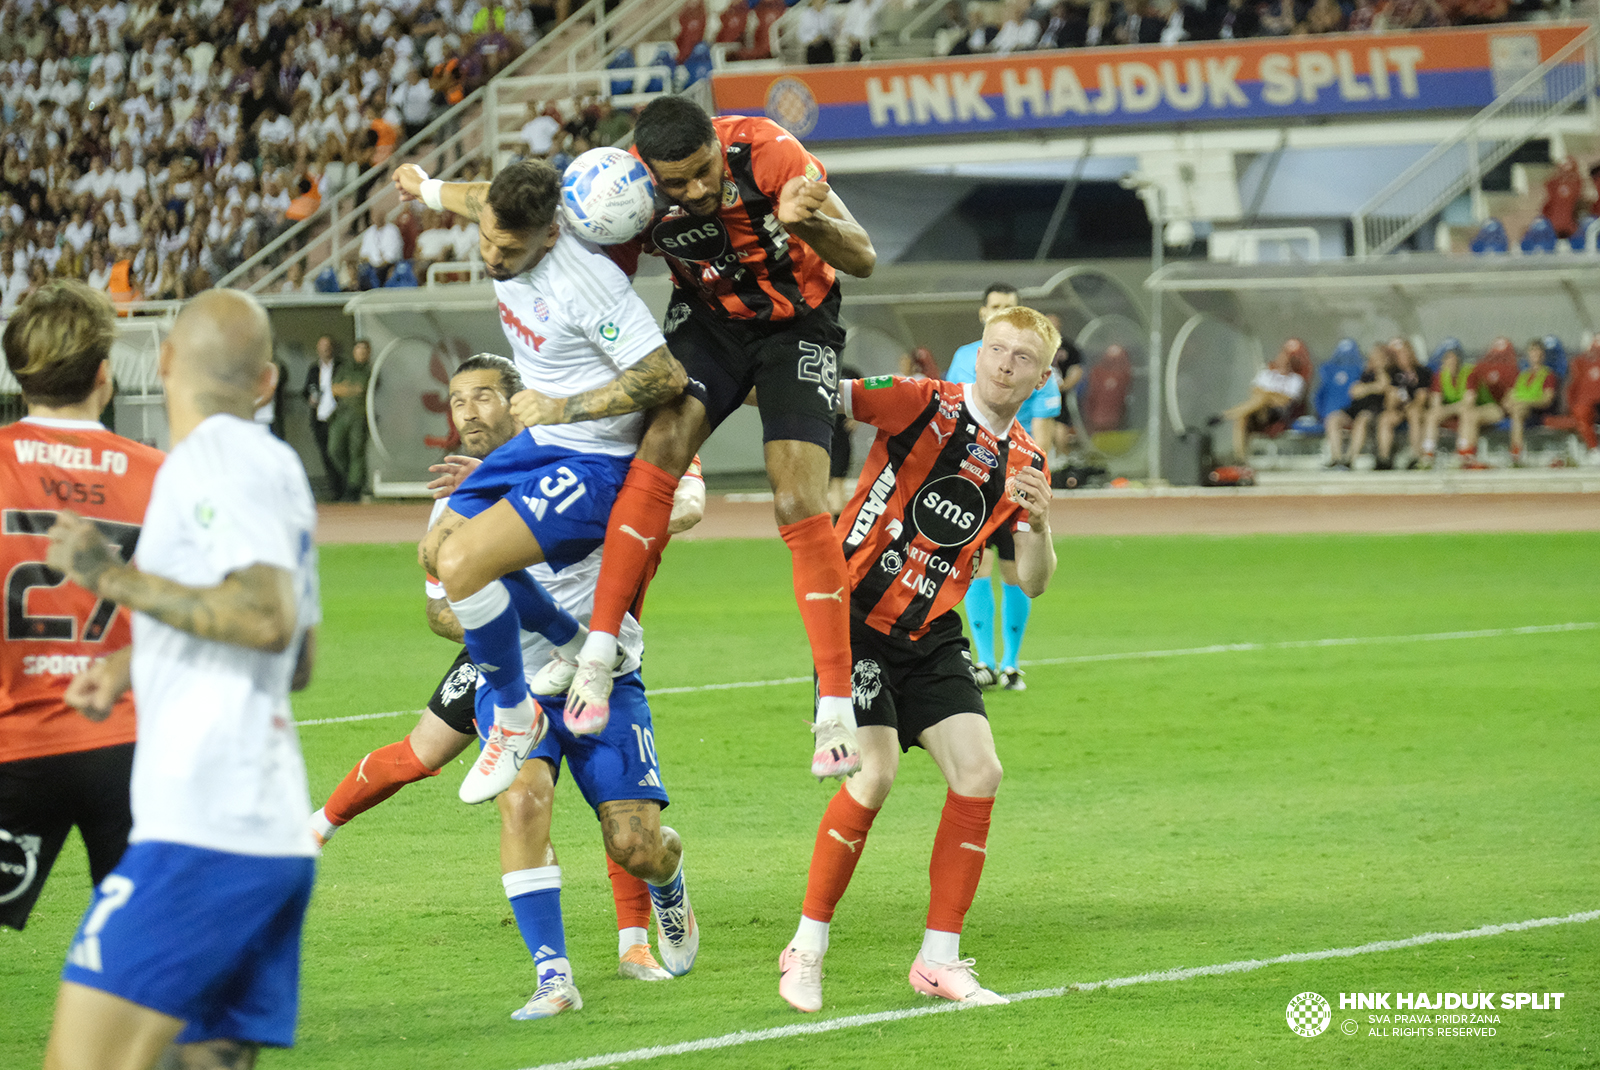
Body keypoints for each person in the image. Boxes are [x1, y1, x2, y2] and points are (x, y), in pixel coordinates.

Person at [310, 355, 704, 1016]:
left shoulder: (600, 450)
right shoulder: (457, 496)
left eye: (484, 396)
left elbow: (685, 505)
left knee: (636, 845)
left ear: (523, 402)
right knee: (519, 801)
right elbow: (441, 605)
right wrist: (489, 584)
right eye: (458, 400)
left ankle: (663, 885)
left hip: (601, 672)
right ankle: (554, 978)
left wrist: (551, 504)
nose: (467, 411)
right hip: (510, 672)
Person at [40, 288, 320, 1070]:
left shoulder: (212, 457)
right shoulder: (277, 467)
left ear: (160, 361)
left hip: (204, 834)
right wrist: (138, 661)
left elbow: (265, 618)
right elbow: (296, 656)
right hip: (266, 831)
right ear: (267, 380)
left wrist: (109, 576)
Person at [561, 95, 878, 780]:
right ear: (652, 175)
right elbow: (599, 288)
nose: (698, 190)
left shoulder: (768, 152)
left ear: (716, 144)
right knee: (660, 449)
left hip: (800, 324)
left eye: (705, 171)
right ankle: (597, 653)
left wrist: (810, 221)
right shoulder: (626, 188)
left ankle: (834, 708)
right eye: (679, 183)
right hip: (708, 324)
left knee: (799, 499)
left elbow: (864, 258)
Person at [778, 305, 1059, 1014]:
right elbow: (826, 395)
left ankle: (938, 961)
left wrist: (1043, 522)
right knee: (875, 776)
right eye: (995, 349)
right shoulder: (924, 402)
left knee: (981, 771)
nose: (1003, 364)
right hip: (853, 621)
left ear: (1042, 376)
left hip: (930, 631)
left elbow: (1032, 578)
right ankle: (806, 946)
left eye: (1020, 357)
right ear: (978, 354)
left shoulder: (1026, 460)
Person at [390, 156, 688, 807]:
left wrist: (562, 408)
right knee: (438, 550)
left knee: (466, 562)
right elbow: (475, 198)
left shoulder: (587, 282)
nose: (491, 256)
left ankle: (517, 716)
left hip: (590, 459)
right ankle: (571, 642)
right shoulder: (500, 215)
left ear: (550, 235)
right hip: (540, 443)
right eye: (487, 239)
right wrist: (426, 188)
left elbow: (666, 377)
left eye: (507, 248)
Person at [0, 282, 164, 935]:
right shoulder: (158, 474)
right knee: (143, 939)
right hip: (127, 739)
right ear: (105, 375)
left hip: (13, 738)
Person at [944, 283, 1061, 691]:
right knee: (978, 565)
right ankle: (985, 660)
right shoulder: (966, 358)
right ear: (983, 314)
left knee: (1016, 570)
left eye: (1009, 306)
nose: (1001, 311)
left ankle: (1011, 662)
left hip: (1018, 481)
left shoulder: (1042, 367)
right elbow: (955, 416)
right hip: (975, 479)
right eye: (995, 307)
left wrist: (1030, 477)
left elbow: (1043, 431)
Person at [1215, 339, 1308, 463]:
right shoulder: (1266, 374)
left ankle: (1226, 415)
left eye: (1288, 358)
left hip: (1278, 415)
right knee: (1243, 418)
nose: (1284, 360)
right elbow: (1255, 392)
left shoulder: (1296, 380)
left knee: (1263, 399)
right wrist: (1271, 396)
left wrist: (1268, 395)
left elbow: (1286, 401)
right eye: (1282, 356)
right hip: (1259, 411)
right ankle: (1240, 459)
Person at [1323, 343, 1391, 470]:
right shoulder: (1364, 373)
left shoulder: (1387, 373)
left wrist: (1369, 385)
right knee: (1333, 419)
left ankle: (1350, 458)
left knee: (1362, 419)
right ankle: (1336, 458)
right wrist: (1371, 388)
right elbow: (1354, 391)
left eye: (1376, 356)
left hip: (1373, 410)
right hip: (1355, 408)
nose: (1373, 359)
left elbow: (1383, 386)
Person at [328, 338, 372, 501]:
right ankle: (350, 475)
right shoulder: (345, 368)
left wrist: (347, 389)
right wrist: (351, 389)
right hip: (341, 414)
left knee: (357, 451)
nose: (360, 353)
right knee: (334, 448)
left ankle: (354, 486)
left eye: (364, 351)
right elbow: (335, 389)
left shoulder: (369, 370)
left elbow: (364, 389)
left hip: (359, 416)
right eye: (358, 350)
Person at [1375, 337, 1429, 471]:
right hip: (1399, 410)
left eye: (1404, 352)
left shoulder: (1422, 372)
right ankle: (1384, 458)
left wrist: (1411, 405)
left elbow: (1422, 398)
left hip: (1416, 409)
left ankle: (1416, 457)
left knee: (1414, 414)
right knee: (1385, 418)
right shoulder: (1392, 373)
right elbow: (1389, 399)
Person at [303, 335, 346, 501]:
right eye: (322, 347)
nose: (325, 350)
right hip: (319, 417)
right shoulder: (314, 369)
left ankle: (346, 487)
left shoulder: (341, 366)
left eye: (328, 346)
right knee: (326, 455)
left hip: (337, 416)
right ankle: (335, 490)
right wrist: (310, 398)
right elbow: (305, 390)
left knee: (337, 452)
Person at [1505, 338, 1557, 467]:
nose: (1535, 355)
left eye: (1538, 351)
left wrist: (1525, 403)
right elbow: (1509, 396)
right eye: (1532, 351)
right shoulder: (1522, 375)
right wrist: (1509, 404)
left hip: (1536, 411)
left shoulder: (1548, 375)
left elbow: (1547, 399)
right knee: (1516, 411)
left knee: (1518, 412)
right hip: (1519, 409)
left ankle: (1517, 452)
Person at [827, 362, 863, 519]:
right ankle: (833, 523)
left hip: (840, 436)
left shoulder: (849, 372)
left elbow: (865, 396)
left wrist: (858, 418)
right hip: (822, 433)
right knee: (827, 483)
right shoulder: (819, 370)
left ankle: (837, 523)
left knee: (837, 481)